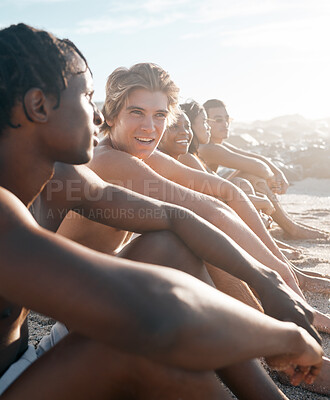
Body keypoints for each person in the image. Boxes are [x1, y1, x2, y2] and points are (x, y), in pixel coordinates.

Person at [0, 23, 325, 399]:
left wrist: (270, 283)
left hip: (27, 359)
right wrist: (279, 335)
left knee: (171, 244)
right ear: (39, 105)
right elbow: (162, 306)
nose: (98, 117)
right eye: (87, 98)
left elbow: (177, 217)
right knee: (140, 353)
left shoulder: (64, 179)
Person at [201, 99, 330, 240]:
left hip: (211, 201)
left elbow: (254, 157)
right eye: (218, 120)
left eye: (227, 119)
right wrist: (271, 178)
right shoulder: (209, 148)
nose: (225, 124)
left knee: (250, 176)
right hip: (207, 209)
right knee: (252, 177)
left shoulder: (214, 144)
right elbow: (258, 167)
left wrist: (279, 173)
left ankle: (290, 225)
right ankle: (291, 228)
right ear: (205, 122)